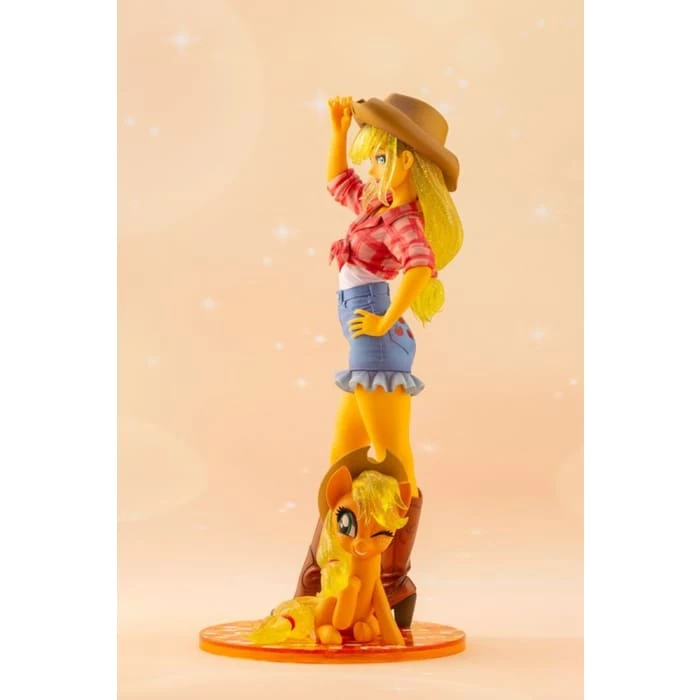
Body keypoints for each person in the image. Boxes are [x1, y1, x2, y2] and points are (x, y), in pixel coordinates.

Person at [295, 94, 464, 629]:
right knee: (344, 458)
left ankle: (391, 580)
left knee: (391, 457)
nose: (372, 168)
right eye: (372, 157)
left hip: (375, 339)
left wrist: (387, 318)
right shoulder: (377, 204)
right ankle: (328, 573)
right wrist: (337, 131)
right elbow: (336, 182)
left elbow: (419, 266)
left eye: (382, 157)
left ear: (407, 161)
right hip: (367, 338)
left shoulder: (404, 219)